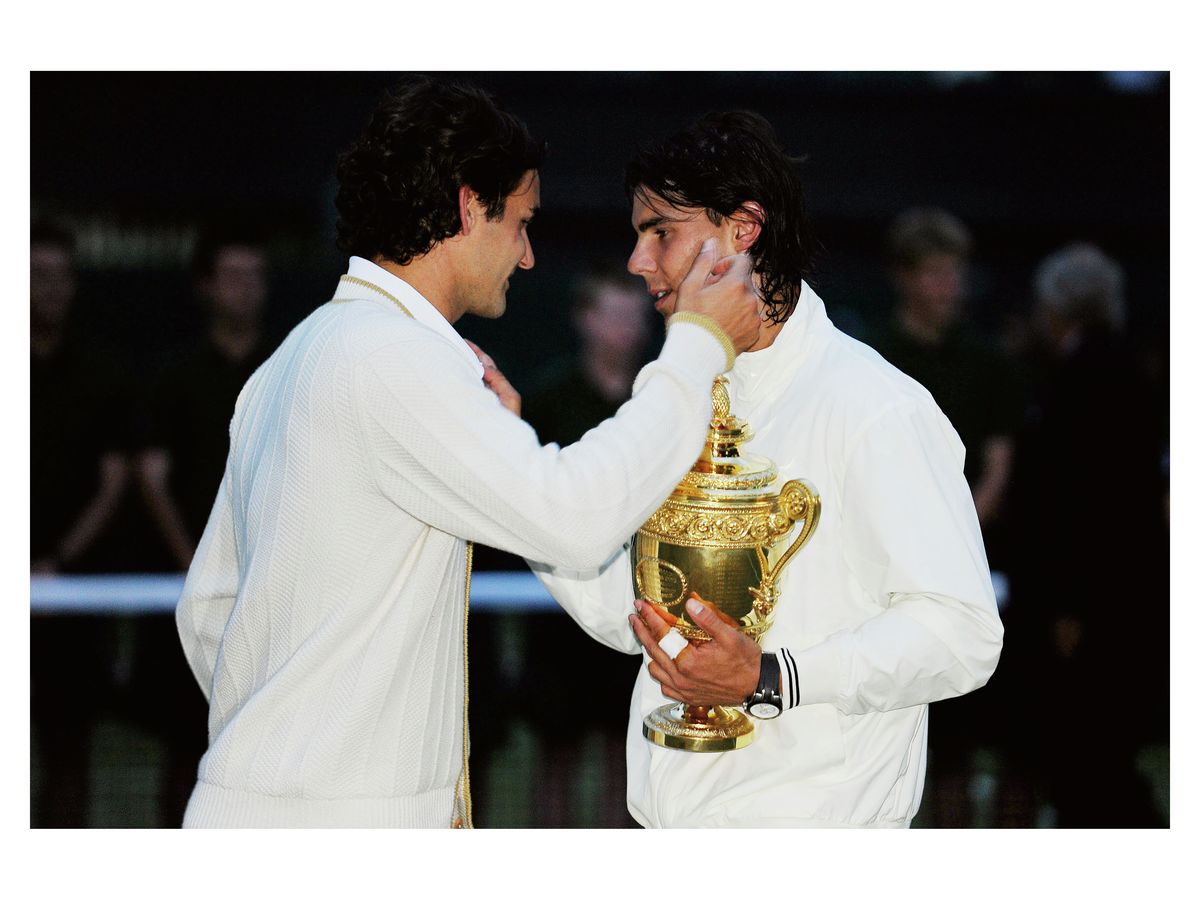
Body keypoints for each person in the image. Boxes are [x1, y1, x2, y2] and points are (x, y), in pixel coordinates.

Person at [173, 76, 763, 828]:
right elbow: (574, 518)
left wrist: (277, 755)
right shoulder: (390, 357)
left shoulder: (297, 357)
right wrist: (697, 344)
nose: (526, 257)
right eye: (519, 222)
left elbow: (209, 611)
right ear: (465, 206)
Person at [525, 111, 1004, 827]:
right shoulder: (679, 393)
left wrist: (772, 677)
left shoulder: (876, 407)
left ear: (742, 229)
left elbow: (963, 634)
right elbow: (631, 615)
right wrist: (514, 480)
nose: (637, 261)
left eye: (660, 232)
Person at [1000, 243, 1167, 826]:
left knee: (1091, 767)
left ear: (1058, 307)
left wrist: (1070, 604)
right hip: (1110, 601)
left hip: (1090, 611)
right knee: (1095, 764)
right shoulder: (1124, 373)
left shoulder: (1088, 380)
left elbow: (1089, 503)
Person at [867, 207, 1025, 825]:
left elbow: (999, 465)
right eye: (934, 272)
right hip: (889, 585)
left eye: (954, 272)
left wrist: (954, 538)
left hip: (976, 577)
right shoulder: (873, 359)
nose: (947, 287)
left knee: (975, 745)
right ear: (905, 277)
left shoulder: (990, 366)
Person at [519, 264, 654, 827]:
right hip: (559, 615)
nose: (624, 327)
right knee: (558, 753)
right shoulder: (548, 400)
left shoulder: (659, 401)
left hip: (642, 609)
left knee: (628, 755)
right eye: (612, 312)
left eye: (634, 313)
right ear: (585, 319)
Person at [30, 221, 129, 825]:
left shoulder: (100, 376)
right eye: (33, 277)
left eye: (56, 278)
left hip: (71, 596)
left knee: (69, 754)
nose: (46, 289)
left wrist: (55, 565)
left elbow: (115, 482)